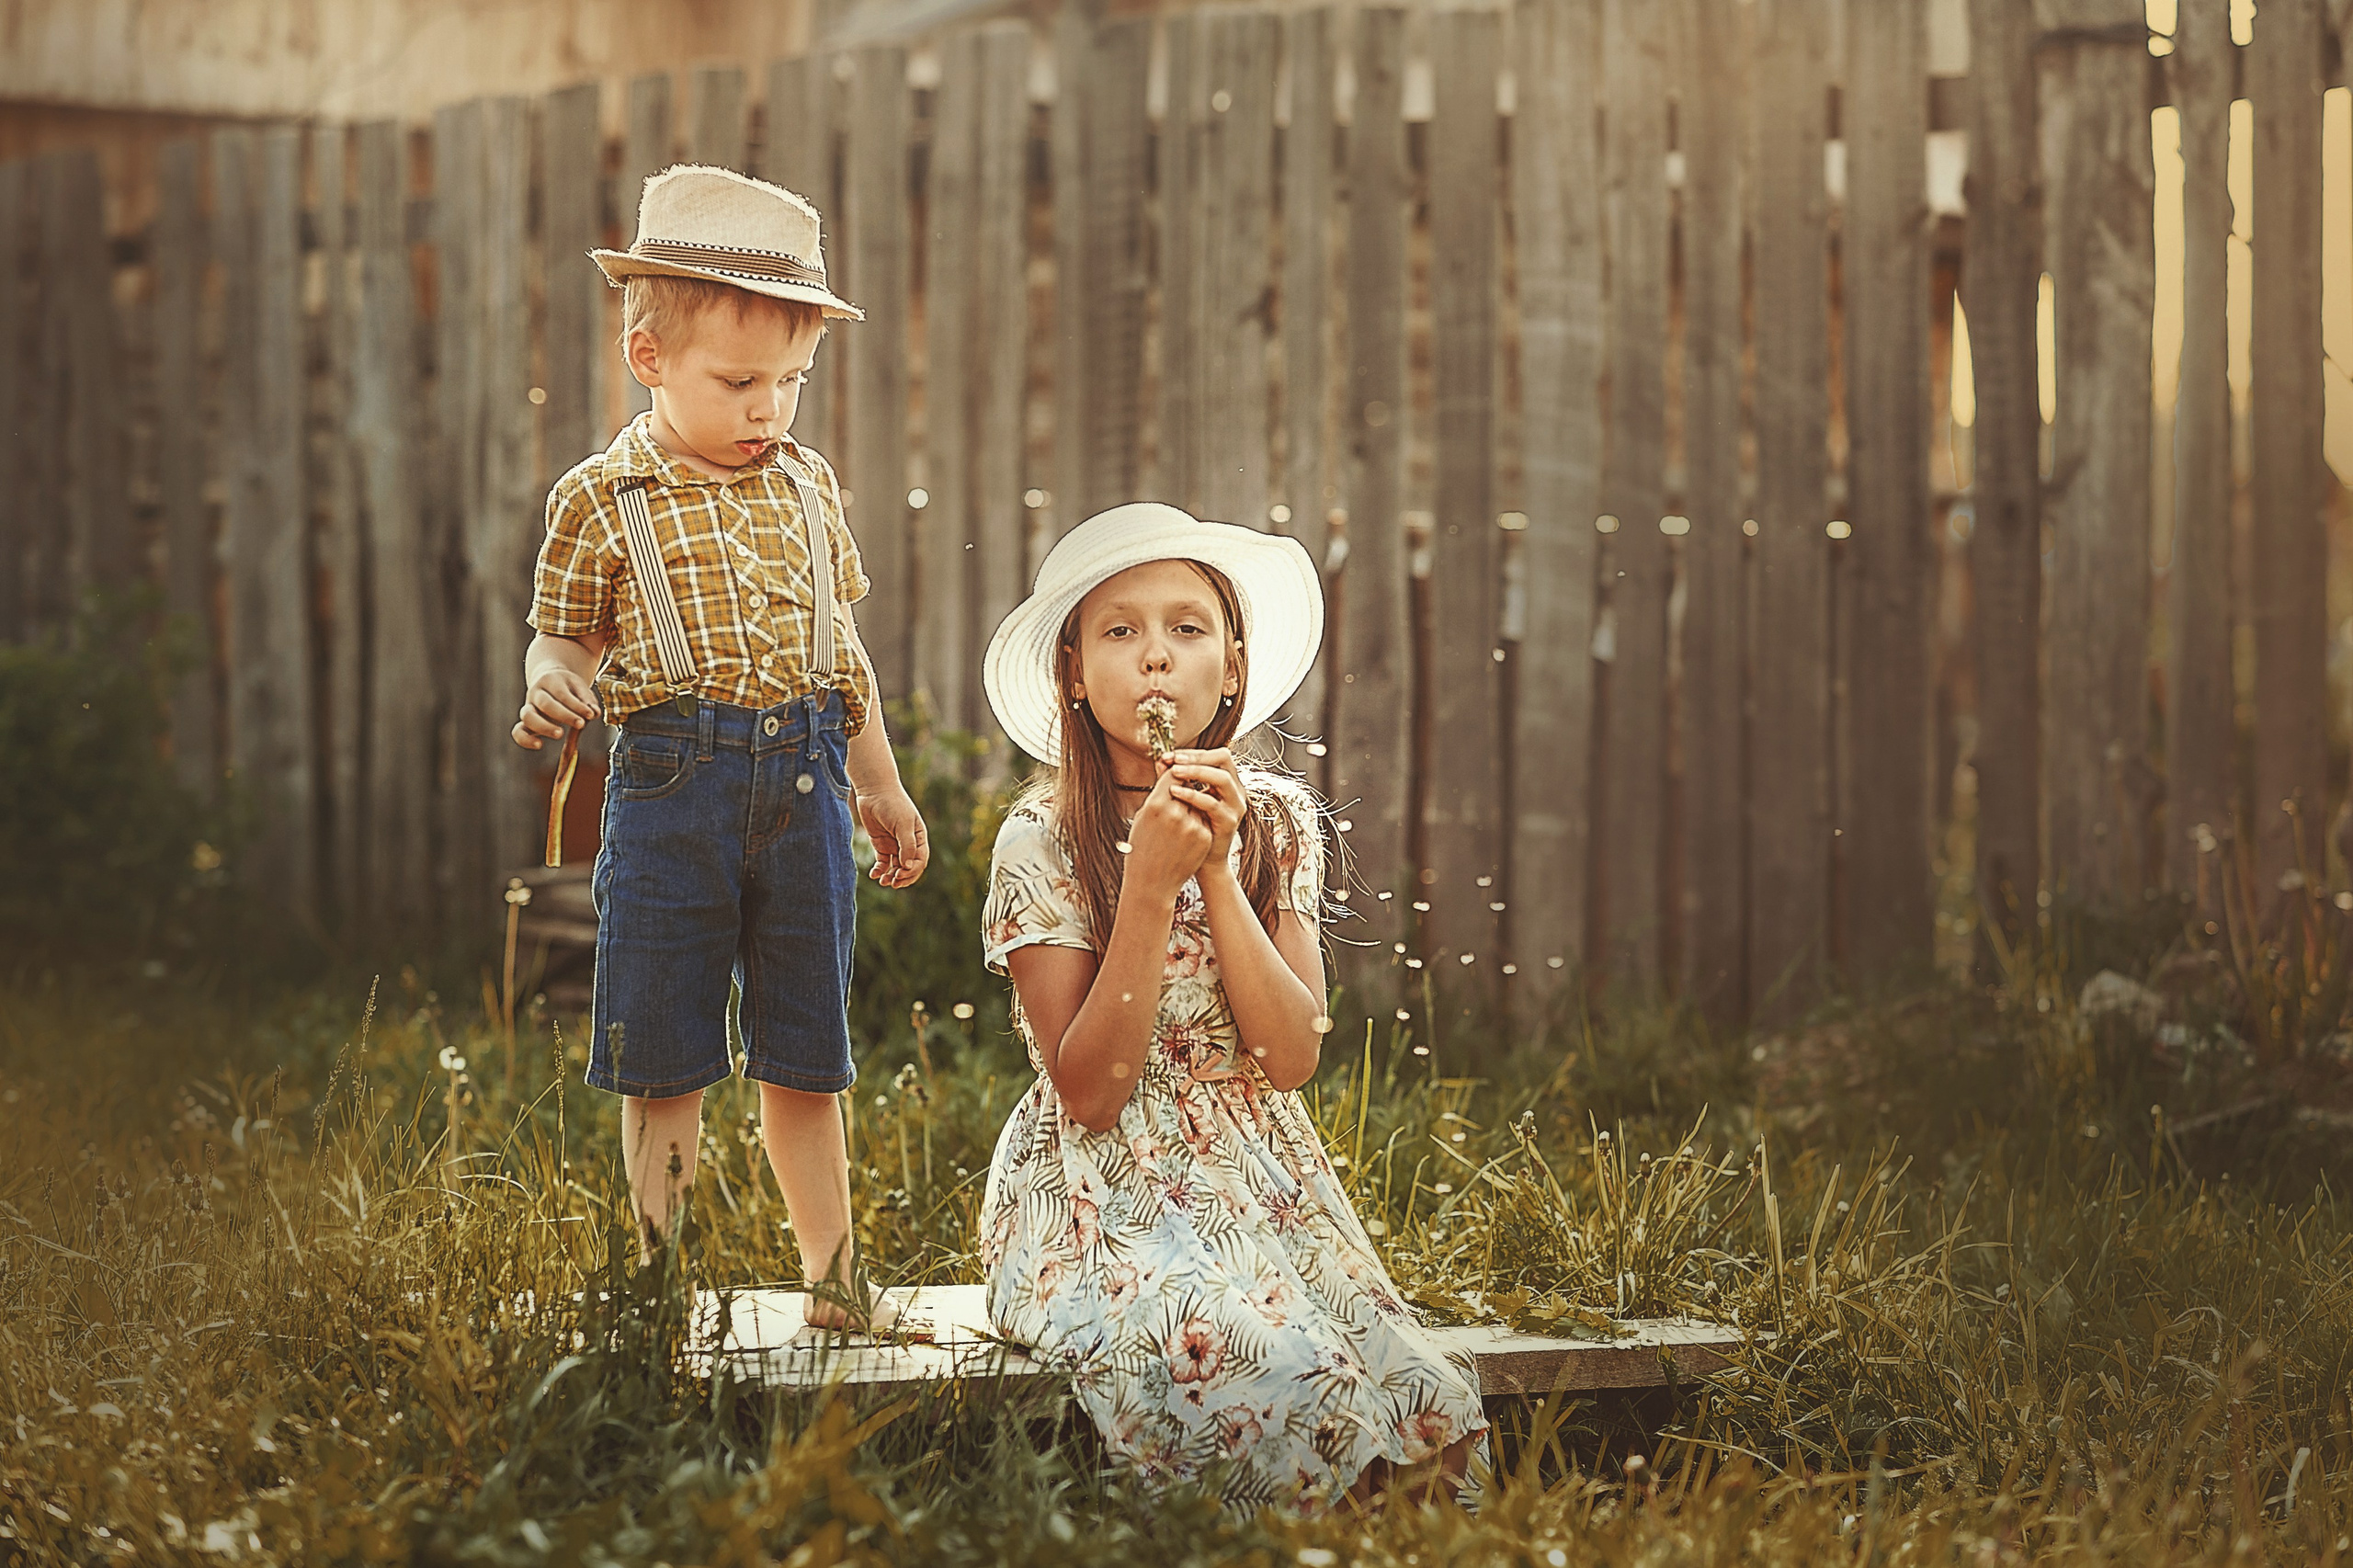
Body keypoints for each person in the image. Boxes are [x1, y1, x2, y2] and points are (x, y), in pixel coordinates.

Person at [973, 503, 1490, 1513]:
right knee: (1278, 1371)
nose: (1156, 658)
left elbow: (1291, 1052)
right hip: (1095, 1193)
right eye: (1120, 631)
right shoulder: (1040, 837)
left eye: (1186, 628)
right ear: (1075, 673)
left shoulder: (1277, 820)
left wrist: (1215, 871)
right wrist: (1149, 886)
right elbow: (1088, 1090)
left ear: (1232, 667)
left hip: (1258, 1171)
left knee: (1421, 1399)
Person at [513, 165, 928, 1329]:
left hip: (806, 786)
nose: (769, 410)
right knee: (664, 1049)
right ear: (649, 359)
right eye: (740, 381)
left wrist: (881, 789)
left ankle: (836, 1285)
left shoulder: (808, 485)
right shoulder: (605, 497)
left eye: (791, 383)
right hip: (668, 795)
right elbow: (563, 639)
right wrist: (554, 689)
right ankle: (653, 1284)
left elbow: (839, 654)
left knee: (809, 1049)